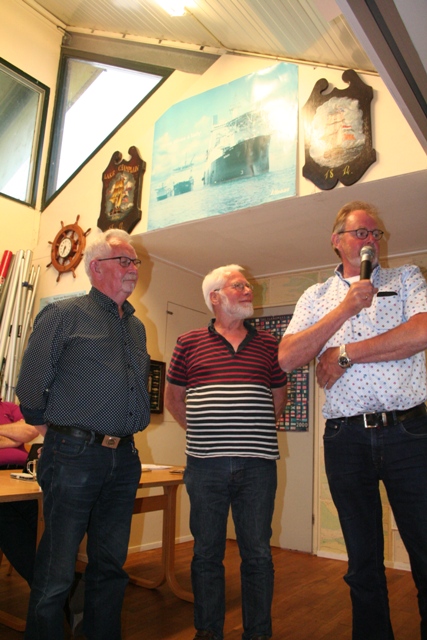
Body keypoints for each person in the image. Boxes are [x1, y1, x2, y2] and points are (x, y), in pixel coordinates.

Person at [279, 200, 427, 640]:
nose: (370, 241)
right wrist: (345, 308)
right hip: (346, 440)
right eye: (360, 233)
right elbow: (287, 357)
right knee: (362, 561)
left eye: (375, 233)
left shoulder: (406, 278)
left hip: (409, 433)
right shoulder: (316, 297)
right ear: (337, 241)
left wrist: (344, 354)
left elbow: (421, 332)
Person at [16, 229, 151, 640]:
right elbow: (31, 385)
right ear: (96, 268)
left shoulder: (137, 328)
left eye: (134, 262)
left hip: (124, 458)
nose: (133, 268)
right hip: (73, 455)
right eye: (124, 261)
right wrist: (57, 430)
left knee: (110, 566)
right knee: (57, 568)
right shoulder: (63, 314)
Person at [165, 264, 288, 640]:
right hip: (204, 466)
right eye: (239, 285)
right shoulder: (188, 342)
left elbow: (278, 398)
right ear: (215, 296)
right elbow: (174, 399)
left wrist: (249, 430)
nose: (248, 290)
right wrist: (206, 434)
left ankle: (258, 633)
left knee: (258, 553)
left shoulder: (269, 344)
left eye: (248, 285)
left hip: (258, 466)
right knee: (206, 553)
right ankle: (208, 632)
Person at [0, 399, 40, 585]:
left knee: (43, 515)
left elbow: (30, 431)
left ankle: (52, 579)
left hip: (22, 476)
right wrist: (14, 435)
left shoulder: (10, 407)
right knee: (6, 519)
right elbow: (21, 435)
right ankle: (42, 582)